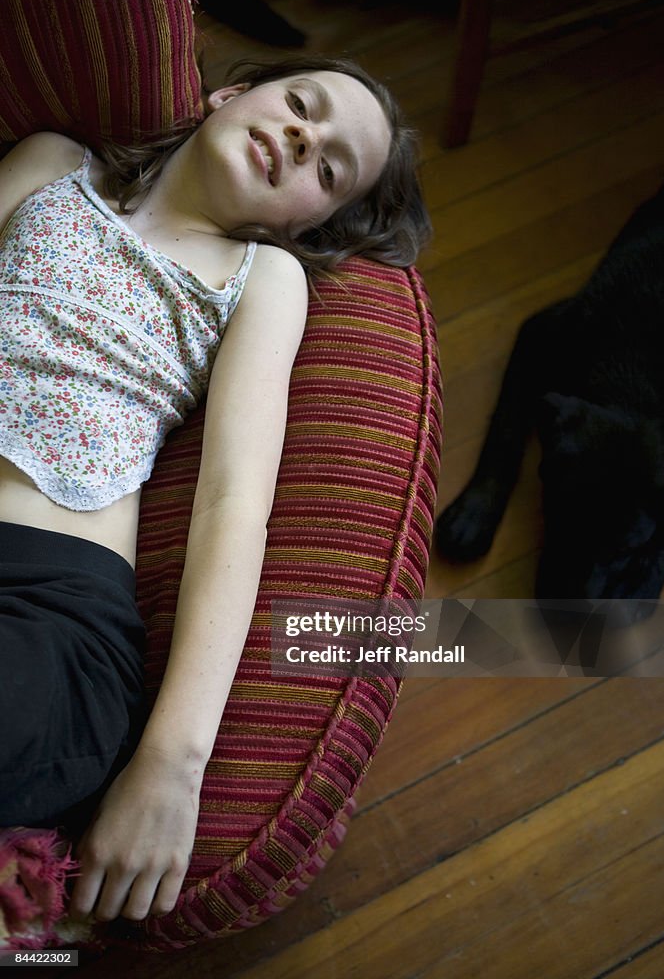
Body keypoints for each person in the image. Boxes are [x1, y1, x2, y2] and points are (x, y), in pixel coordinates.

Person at [0, 54, 431, 924]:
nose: (304, 139)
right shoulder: (51, 163)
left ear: (314, 220)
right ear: (229, 95)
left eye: (328, 170)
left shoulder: (261, 281)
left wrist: (173, 761)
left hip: (47, 610)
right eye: (301, 106)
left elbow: (235, 504)